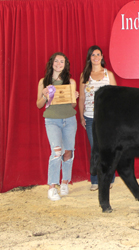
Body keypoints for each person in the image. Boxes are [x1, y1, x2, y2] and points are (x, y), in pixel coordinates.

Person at [36, 52, 79, 201]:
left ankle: (65, 182)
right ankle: (52, 187)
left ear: (65, 64)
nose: (59, 64)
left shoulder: (71, 82)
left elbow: (73, 105)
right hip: (52, 120)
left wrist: (75, 97)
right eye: (56, 61)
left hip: (69, 120)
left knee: (68, 152)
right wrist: (44, 95)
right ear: (51, 63)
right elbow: (39, 104)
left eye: (62, 62)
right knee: (56, 152)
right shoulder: (44, 82)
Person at [79, 45, 117, 191]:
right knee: (95, 148)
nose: (95, 57)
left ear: (102, 57)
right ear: (90, 58)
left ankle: (109, 178)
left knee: (107, 149)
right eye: (93, 55)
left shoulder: (109, 75)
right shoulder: (84, 75)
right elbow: (82, 97)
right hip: (90, 117)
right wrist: (82, 116)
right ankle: (94, 180)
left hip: (107, 119)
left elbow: (116, 97)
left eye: (98, 54)